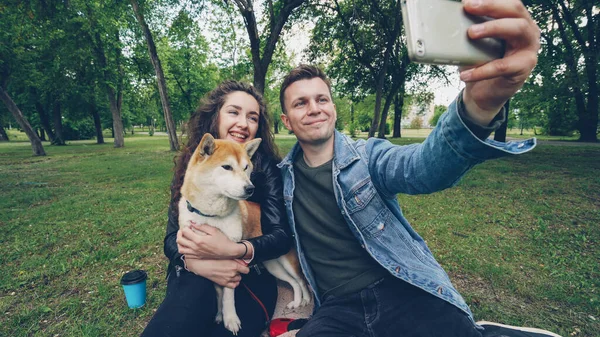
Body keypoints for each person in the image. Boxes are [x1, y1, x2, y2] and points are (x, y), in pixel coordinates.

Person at [276, 1, 561, 337]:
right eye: (301, 103)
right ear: (287, 121)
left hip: (400, 287)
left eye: (321, 99)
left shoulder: (369, 157)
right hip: (339, 309)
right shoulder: (281, 177)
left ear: (333, 109)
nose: (314, 109)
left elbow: (424, 167)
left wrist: (478, 107)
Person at [141, 81, 292, 337]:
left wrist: (236, 250)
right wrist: (193, 263)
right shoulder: (196, 164)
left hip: (247, 275)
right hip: (194, 273)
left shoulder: (266, 168)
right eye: (234, 112)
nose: (243, 123)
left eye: (252, 117)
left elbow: (280, 237)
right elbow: (170, 239)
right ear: (216, 116)